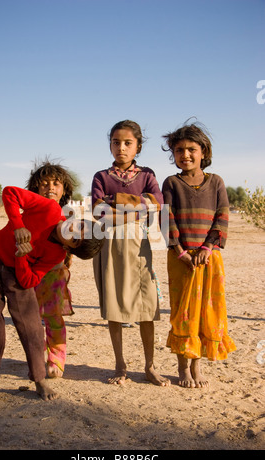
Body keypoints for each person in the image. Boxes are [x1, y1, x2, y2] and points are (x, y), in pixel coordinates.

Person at [0, 185, 103, 411]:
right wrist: (18, 226)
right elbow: (9, 192)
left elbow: (29, 281)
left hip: (17, 277)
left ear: (69, 248)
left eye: (77, 240)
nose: (73, 231)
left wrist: (22, 257)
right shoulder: (49, 208)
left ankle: (39, 379)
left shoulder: (56, 253)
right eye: (80, 226)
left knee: (31, 326)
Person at [91, 119, 170, 387]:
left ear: (138, 146)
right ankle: (120, 366)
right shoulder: (101, 177)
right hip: (109, 245)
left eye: (127, 143)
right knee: (114, 305)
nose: (121, 148)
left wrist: (116, 205)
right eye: (116, 142)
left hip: (139, 245)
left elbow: (158, 203)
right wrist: (138, 207)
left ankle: (150, 367)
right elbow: (98, 211)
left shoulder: (147, 175)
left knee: (147, 307)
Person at [161, 120, 236, 388]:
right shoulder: (171, 182)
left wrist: (207, 248)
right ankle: (183, 367)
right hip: (181, 259)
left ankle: (197, 365)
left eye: (191, 149)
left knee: (206, 311)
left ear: (203, 151)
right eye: (179, 150)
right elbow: (166, 219)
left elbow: (222, 216)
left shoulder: (215, 182)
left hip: (209, 258)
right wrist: (181, 252)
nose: (186, 155)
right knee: (183, 312)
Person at [26, 160, 75, 378]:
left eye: (56, 183)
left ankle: (56, 360)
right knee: (31, 322)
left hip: (54, 277)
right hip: (28, 276)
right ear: (35, 188)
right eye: (44, 183)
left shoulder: (67, 217)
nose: (50, 188)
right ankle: (36, 361)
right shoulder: (27, 214)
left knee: (54, 319)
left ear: (64, 189)